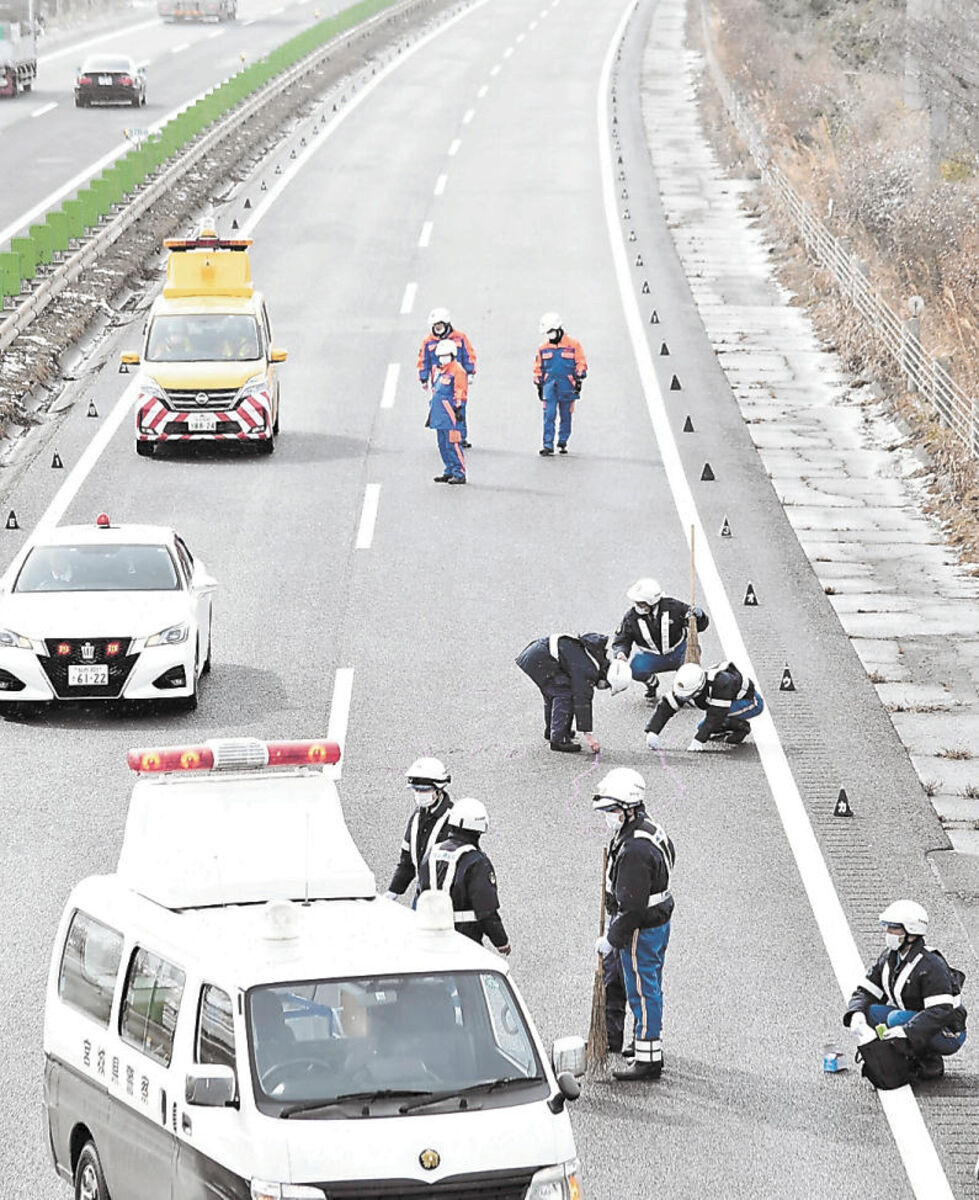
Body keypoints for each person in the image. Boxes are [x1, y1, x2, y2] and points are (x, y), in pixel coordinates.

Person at [593, 768, 675, 1081]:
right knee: (647, 984)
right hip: (654, 919)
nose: (608, 817)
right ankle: (642, 1039)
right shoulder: (646, 828)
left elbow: (632, 907)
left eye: (612, 811)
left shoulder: (635, 850)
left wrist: (612, 938)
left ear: (628, 809)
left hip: (641, 927)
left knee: (642, 990)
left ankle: (649, 1057)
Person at [843, 900, 967, 1080]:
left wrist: (907, 1031)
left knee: (896, 1019)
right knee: (870, 1012)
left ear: (911, 932)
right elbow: (867, 991)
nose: (888, 933)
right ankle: (901, 1055)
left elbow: (941, 1011)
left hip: (948, 1032)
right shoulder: (889, 957)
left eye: (894, 928)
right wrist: (856, 1014)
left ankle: (928, 1058)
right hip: (916, 1018)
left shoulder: (931, 965)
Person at [417, 798, 510, 954]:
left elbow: (421, 893)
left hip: (429, 936)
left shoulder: (432, 853)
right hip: (465, 940)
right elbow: (486, 910)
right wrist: (501, 941)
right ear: (480, 828)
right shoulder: (476, 861)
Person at [515, 632, 626, 753]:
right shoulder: (588, 670)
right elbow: (582, 701)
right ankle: (558, 740)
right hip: (539, 659)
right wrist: (589, 735)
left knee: (553, 692)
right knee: (564, 694)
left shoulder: (595, 657)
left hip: (536, 654)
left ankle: (553, 730)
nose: (603, 687)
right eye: (607, 685)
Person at [612, 578, 710, 705]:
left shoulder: (674, 607)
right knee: (635, 667)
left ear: (651, 601)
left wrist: (700, 616)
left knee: (692, 657)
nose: (638, 606)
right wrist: (621, 654)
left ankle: (687, 689)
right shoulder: (631, 618)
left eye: (641, 603)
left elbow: (699, 627)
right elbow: (622, 640)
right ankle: (652, 684)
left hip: (678, 652)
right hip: (652, 657)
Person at [644, 661, 764, 751]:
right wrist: (653, 731)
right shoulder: (690, 684)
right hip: (726, 703)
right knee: (703, 726)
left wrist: (699, 740)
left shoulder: (721, 684)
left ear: (699, 689)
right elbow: (667, 705)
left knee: (711, 724)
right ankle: (729, 726)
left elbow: (716, 716)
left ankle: (741, 726)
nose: (683, 700)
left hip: (750, 702)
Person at [384, 757, 454, 903]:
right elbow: (407, 862)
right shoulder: (416, 818)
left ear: (439, 789)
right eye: (416, 790)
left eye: (425, 790)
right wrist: (393, 891)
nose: (420, 795)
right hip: (422, 896)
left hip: (447, 900)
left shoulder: (454, 819)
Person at [418, 307, 477, 446]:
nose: (437, 328)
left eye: (440, 324)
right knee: (441, 409)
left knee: (459, 407)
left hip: (457, 379)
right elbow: (423, 360)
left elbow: (469, 355)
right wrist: (423, 378)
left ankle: (460, 437)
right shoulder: (428, 341)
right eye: (435, 325)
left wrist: (470, 372)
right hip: (439, 382)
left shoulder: (460, 337)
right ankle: (445, 437)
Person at [533, 312, 587, 456]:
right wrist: (538, 382)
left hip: (567, 386)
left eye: (551, 332)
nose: (549, 335)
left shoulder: (573, 345)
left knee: (566, 415)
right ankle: (547, 444)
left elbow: (581, 362)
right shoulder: (543, 348)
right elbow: (538, 366)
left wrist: (579, 376)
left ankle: (563, 440)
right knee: (549, 415)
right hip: (549, 387)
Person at [428, 339, 468, 484]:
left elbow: (460, 390)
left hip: (451, 414)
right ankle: (449, 470)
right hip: (439, 415)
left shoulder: (457, 370)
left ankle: (459, 472)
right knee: (443, 445)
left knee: (453, 444)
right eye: (441, 356)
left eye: (446, 355)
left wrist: (458, 407)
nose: (443, 358)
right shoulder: (439, 371)